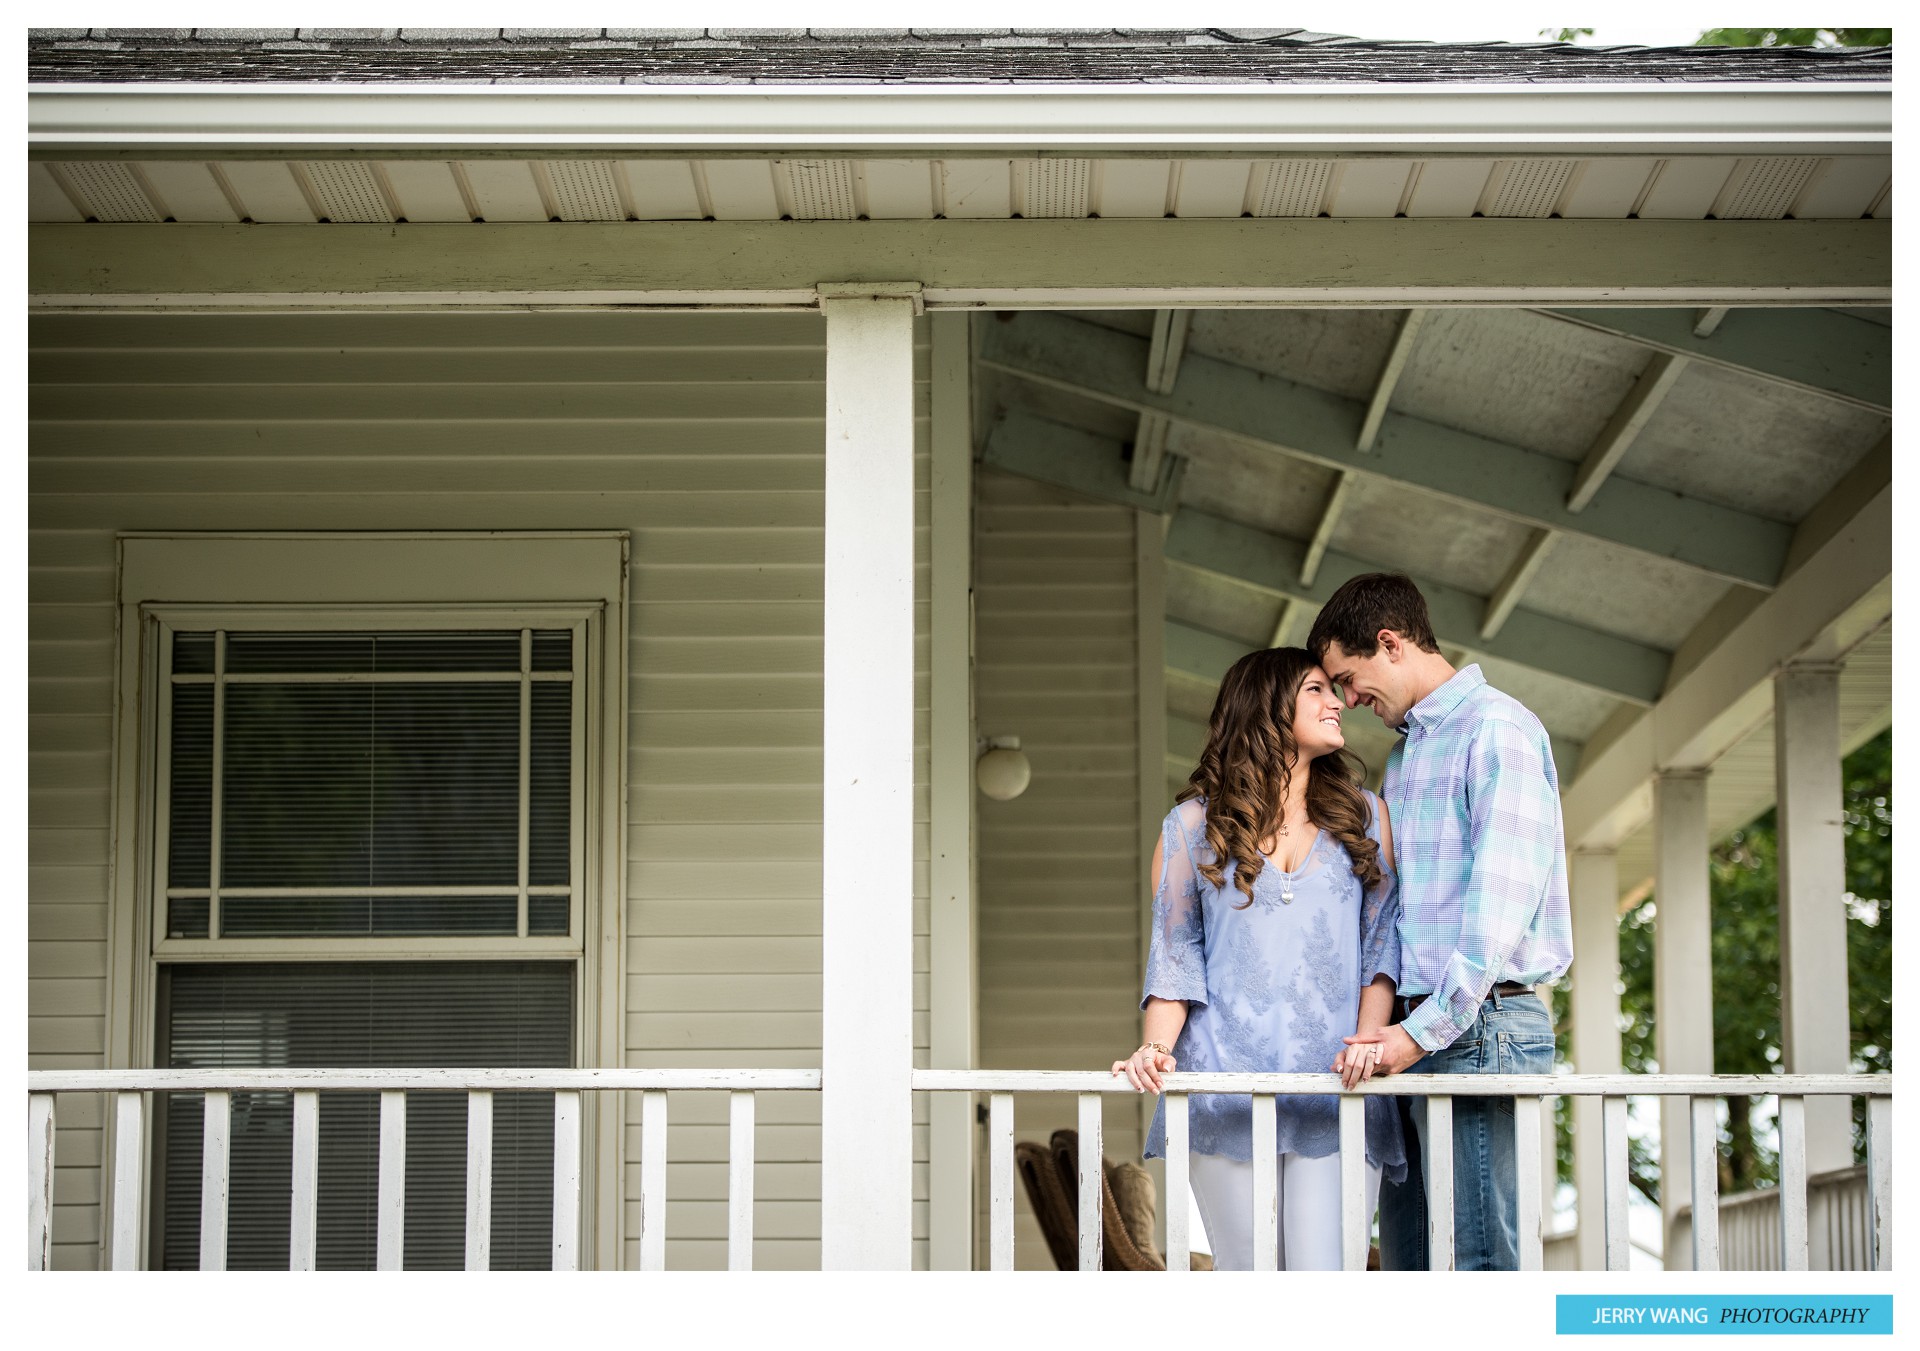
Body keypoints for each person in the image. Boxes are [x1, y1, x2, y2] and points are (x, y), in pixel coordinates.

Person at [1306, 572, 1572, 1272]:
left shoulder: (1499, 729)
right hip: (1420, 1030)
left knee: (1476, 1268)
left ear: (1390, 643)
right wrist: (1388, 1029)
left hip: (1478, 1027)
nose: (1347, 699)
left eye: (1347, 676)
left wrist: (1417, 1034)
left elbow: (1498, 913)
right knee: (1412, 1270)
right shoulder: (1407, 755)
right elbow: (1396, 906)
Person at [1112, 646, 1404, 1270]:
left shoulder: (1367, 815)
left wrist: (1373, 1041)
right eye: (1316, 691)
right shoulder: (1193, 826)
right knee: (1250, 1292)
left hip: (1339, 1085)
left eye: (1336, 690)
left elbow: (1382, 946)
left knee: (1326, 1286)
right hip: (1224, 1086)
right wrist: (1155, 1049)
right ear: (1267, 709)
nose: (1338, 702)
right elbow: (1175, 953)